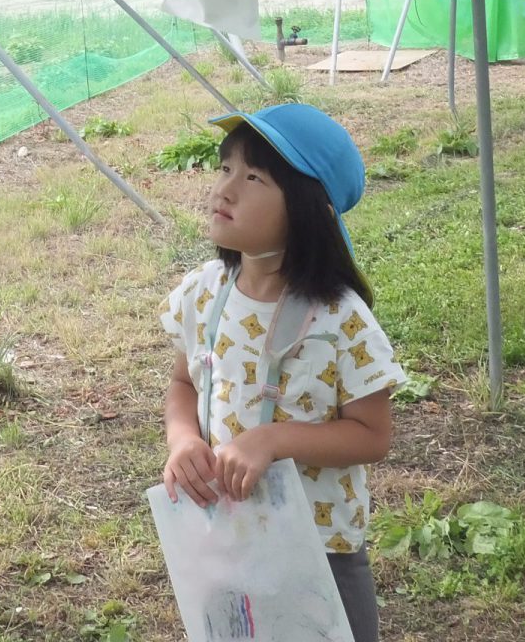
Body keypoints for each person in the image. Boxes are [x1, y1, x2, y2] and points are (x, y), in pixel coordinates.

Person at [159, 103, 404, 642]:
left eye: (253, 178)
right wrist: (182, 440)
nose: (225, 189)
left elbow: (373, 435)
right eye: (226, 168)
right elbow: (182, 384)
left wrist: (271, 439)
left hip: (321, 547)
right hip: (228, 533)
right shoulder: (203, 293)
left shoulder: (340, 320)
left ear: (307, 209)